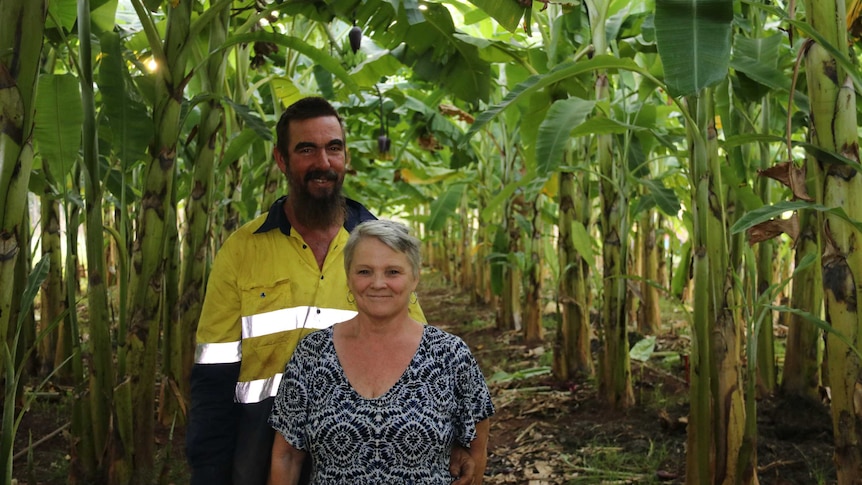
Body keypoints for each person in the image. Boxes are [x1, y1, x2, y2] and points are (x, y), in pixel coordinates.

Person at [186, 97, 475, 485]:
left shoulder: (377, 245)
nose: (323, 163)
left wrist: (457, 436)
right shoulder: (243, 249)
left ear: (345, 156)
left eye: (333, 148)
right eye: (306, 149)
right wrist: (209, 468)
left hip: (362, 441)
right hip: (261, 437)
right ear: (281, 160)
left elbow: (421, 353)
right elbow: (214, 371)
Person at [268, 219, 495, 484]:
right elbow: (286, 457)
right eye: (364, 271)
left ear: (414, 278)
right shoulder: (313, 353)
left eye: (393, 272)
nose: (378, 283)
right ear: (348, 277)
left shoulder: (449, 355)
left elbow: (476, 448)